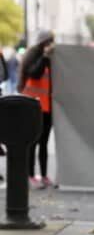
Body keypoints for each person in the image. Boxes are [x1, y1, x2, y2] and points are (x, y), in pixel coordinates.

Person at [19, 30, 55, 188]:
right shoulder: (34, 55)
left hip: (46, 106)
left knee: (44, 142)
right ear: (44, 42)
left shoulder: (51, 58)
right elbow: (35, 74)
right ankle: (30, 174)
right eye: (50, 41)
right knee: (32, 141)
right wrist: (45, 57)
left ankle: (44, 175)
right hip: (32, 105)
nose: (52, 44)